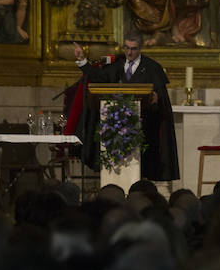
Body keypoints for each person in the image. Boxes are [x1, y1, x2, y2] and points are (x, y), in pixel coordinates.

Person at [72, 33, 179, 181]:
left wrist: (156, 99)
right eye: (127, 48)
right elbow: (98, 78)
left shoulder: (152, 68)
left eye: (133, 49)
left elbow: (161, 99)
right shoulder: (116, 65)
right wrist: (82, 61)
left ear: (140, 48)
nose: (129, 52)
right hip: (114, 126)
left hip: (144, 127)